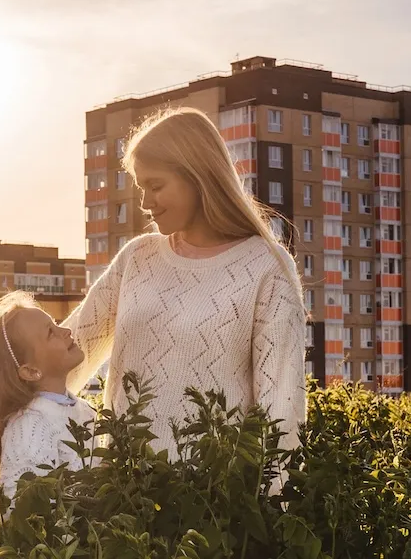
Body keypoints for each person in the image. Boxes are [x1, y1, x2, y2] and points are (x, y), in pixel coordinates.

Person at [64, 107, 306, 456]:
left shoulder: (267, 267)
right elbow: (68, 353)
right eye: (141, 188)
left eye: (155, 186)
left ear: (197, 175)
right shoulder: (137, 258)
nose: (145, 203)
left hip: (210, 500)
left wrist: (270, 503)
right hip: (121, 494)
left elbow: (281, 409)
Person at [0, 292, 97, 506]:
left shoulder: (86, 411)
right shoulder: (29, 427)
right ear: (31, 371)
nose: (66, 330)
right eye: (50, 333)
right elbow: (24, 513)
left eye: (56, 324)